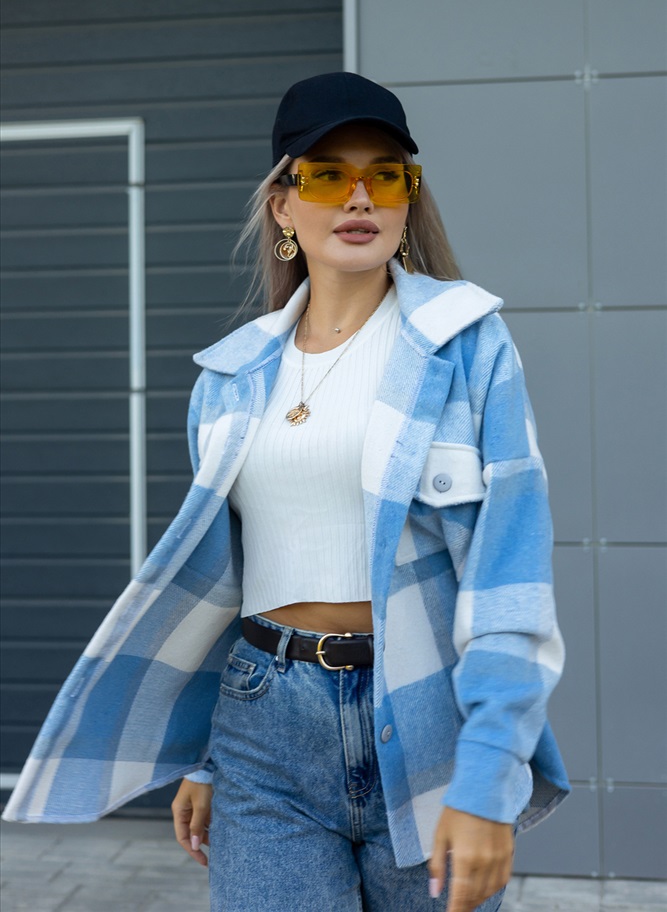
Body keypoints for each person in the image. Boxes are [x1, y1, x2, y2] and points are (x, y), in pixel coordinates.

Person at [3, 73, 569, 912]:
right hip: (262, 722)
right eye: (327, 175)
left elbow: (508, 581)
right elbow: (224, 588)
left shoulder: (466, 346)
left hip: (427, 721)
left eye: (385, 176)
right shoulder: (230, 376)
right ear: (282, 206)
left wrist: (489, 776)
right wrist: (203, 760)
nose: (359, 197)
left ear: (407, 198)